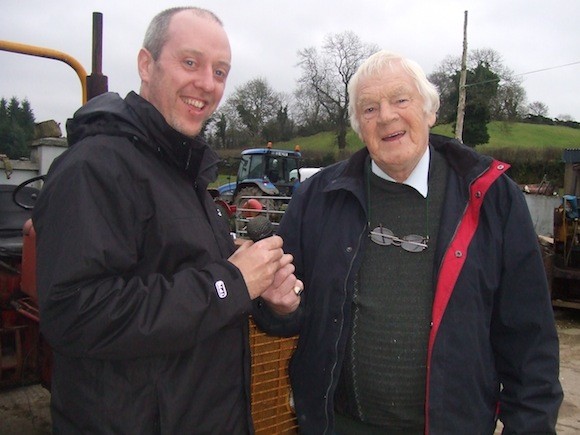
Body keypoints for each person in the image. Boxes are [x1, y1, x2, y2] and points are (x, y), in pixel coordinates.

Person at [253, 50, 563, 434]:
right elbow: (280, 316)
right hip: (340, 426)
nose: (386, 116)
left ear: (430, 111)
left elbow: (530, 342)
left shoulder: (492, 199)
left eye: (400, 99)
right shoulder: (317, 198)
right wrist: (278, 305)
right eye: (369, 109)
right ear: (358, 126)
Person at [32, 7, 301, 433]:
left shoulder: (186, 174)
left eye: (220, 71)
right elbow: (73, 314)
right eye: (190, 62)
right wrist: (232, 282)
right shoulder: (95, 168)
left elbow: (202, 296)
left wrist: (269, 297)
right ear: (146, 64)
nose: (207, 84)